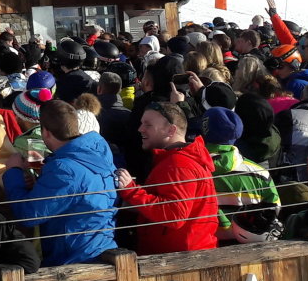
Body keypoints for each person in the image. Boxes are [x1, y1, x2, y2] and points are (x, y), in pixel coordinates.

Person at [1, 99, 118, 267]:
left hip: (75, 262)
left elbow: (28, 213)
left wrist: (13, 172)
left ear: (46, 133)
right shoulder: (97, 149)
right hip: (99, 249)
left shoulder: (64, 169)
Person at [115, 101, 219, 255]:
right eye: (142, 123)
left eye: (148, 125)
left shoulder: (178, 164)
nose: (140, 129)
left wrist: (132, 192)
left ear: (171, 130)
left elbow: (175, 215)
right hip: (187, 254)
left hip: (178, 262)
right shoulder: (179, 159)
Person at [200, 108, 282, 244]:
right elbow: (274, 210)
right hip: (250, 245)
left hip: (206, 244)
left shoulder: (191, 169)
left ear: (204, 131)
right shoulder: (259, 172)